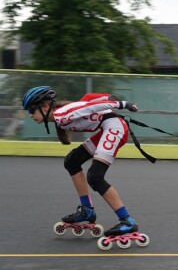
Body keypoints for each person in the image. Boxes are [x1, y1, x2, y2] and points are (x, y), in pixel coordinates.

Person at [22, 86, 140, 237]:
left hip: (114, 128)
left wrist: (123, 104)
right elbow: (88, 98)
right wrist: (106, 96)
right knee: (72, 162)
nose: (30, 115)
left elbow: (91, 106)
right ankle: (87, 210)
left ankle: (127, 220)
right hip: (106, 128)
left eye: (32, 110)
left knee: (95, 177)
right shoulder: (60, 115)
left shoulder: (62, 115)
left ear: (44, 106)